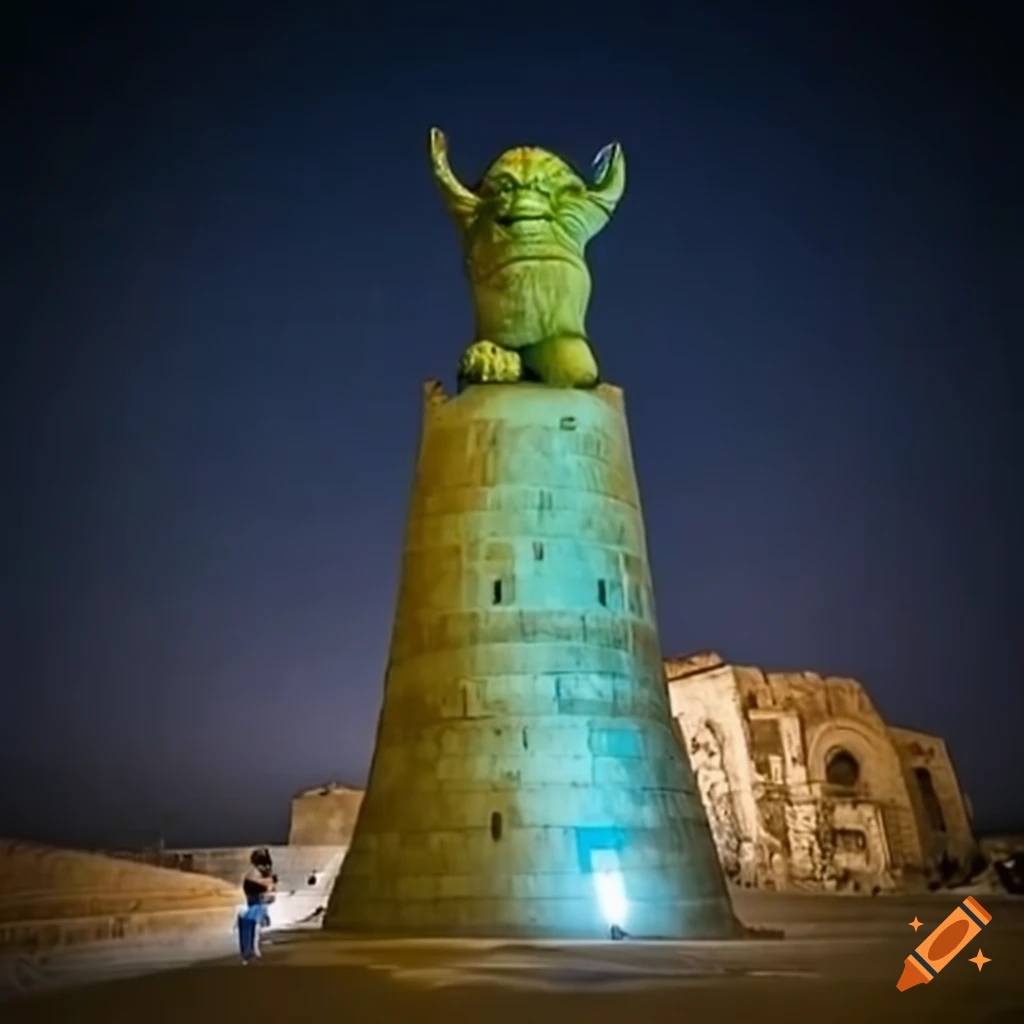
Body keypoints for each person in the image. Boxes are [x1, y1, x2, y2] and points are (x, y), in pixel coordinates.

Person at [237, 848, 277, 964]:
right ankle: (249, 954)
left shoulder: (256, 874)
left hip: (256, 904)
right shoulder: (255, 874)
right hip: (255, 904)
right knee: (251, 928)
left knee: (253, 929)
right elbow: (265, 887)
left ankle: (250, 953)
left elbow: (268, 889)